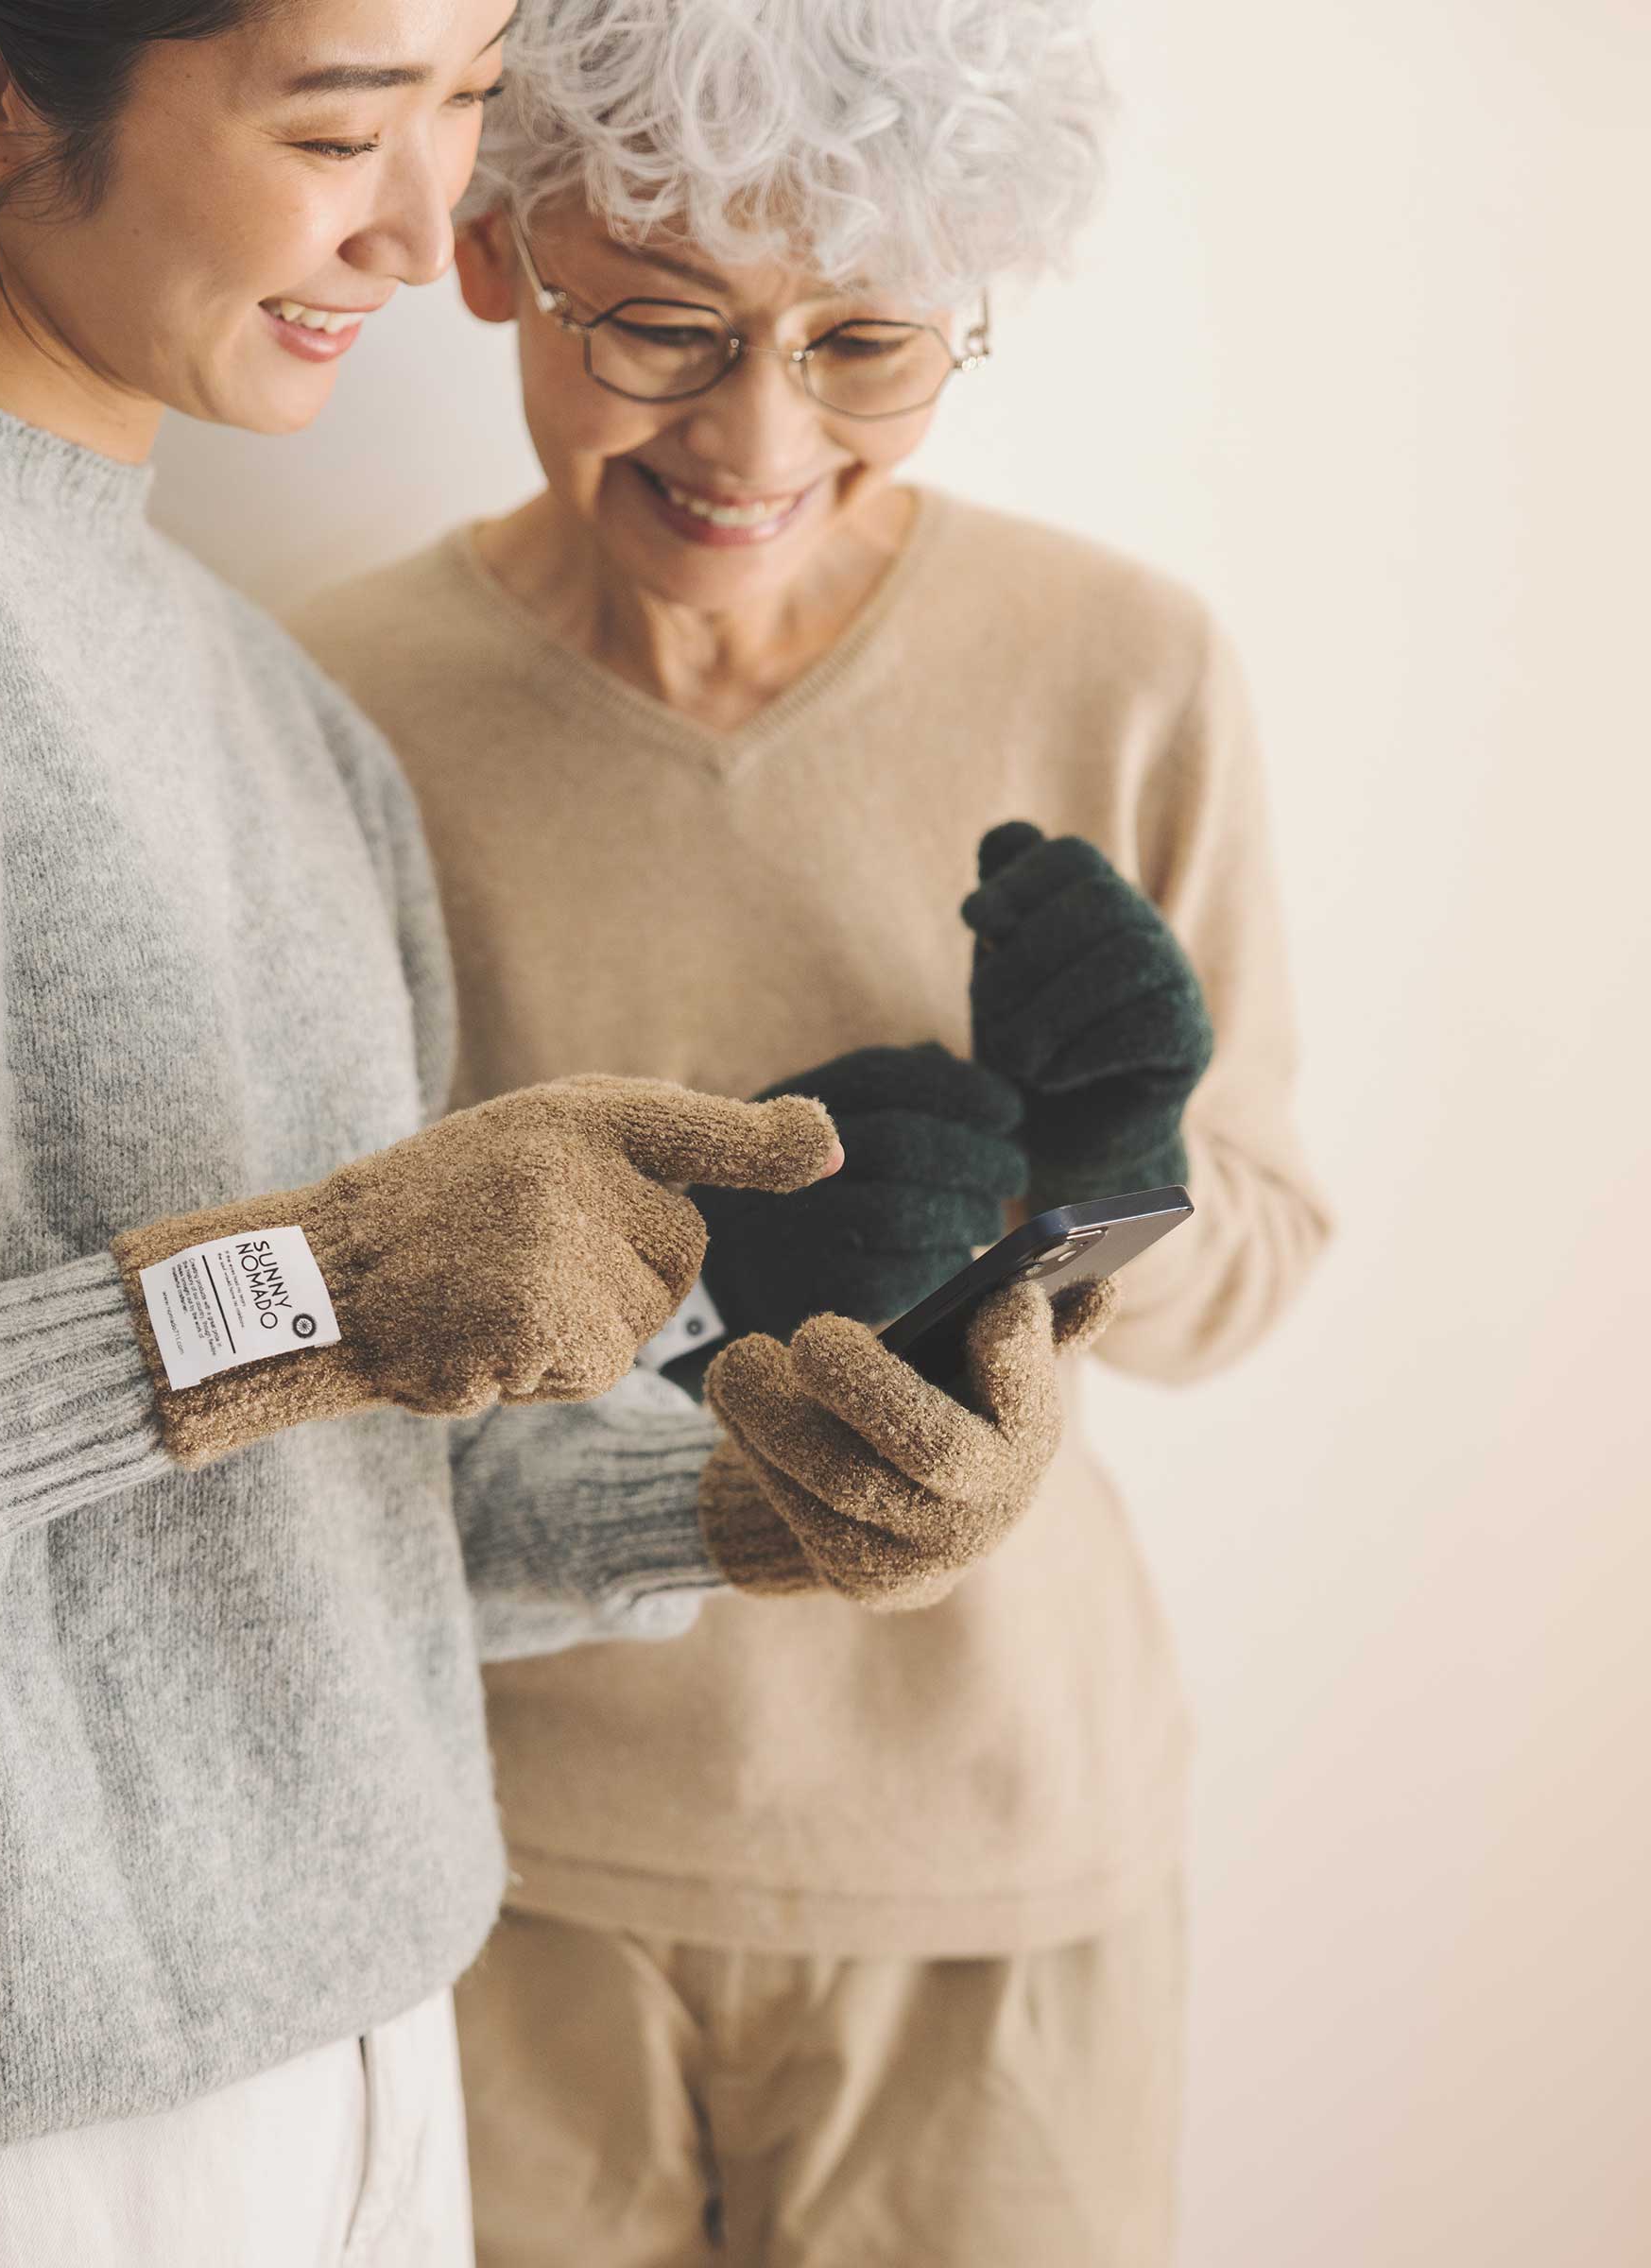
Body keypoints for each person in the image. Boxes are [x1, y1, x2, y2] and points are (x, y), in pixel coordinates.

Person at [0, 2, 1103, 2260]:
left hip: (371, 2061)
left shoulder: (283, 713)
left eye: (469, 104)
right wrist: (309, 1294)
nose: (427, 217)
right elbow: (237, 1350)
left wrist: (754, 1501)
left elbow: (344, 1502)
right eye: (342, 122)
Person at [295, 1, 1335, 2260]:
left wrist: (1102, 1164)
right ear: (495, 252)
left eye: (865, 341)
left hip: (985, 1861)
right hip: (496, 1864)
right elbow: (310, 1326)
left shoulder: (1121, 663)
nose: (756, 434)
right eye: (659, 328)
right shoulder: (333, 707)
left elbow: (1256, 1253)